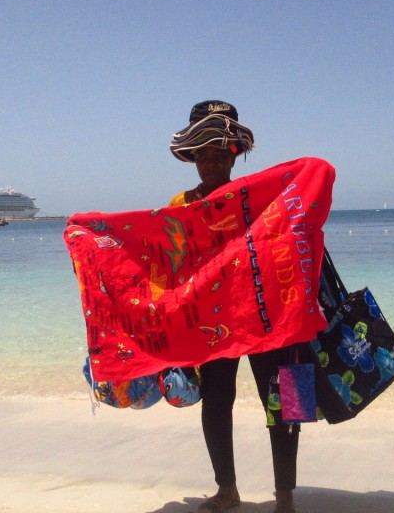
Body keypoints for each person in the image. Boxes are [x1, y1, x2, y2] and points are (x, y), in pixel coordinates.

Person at [170, 100, 299, 513]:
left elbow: (293, 237)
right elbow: (168, 264)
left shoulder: (260, 196)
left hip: (267, 316)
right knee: (215, 402)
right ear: (191, 158)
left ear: (234, 154)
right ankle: (227, 489)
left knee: (286, 401)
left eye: (218, 153)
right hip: (213, 321)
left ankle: (285, 495)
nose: (210, 163)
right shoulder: (180, 204)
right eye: (201, 155)